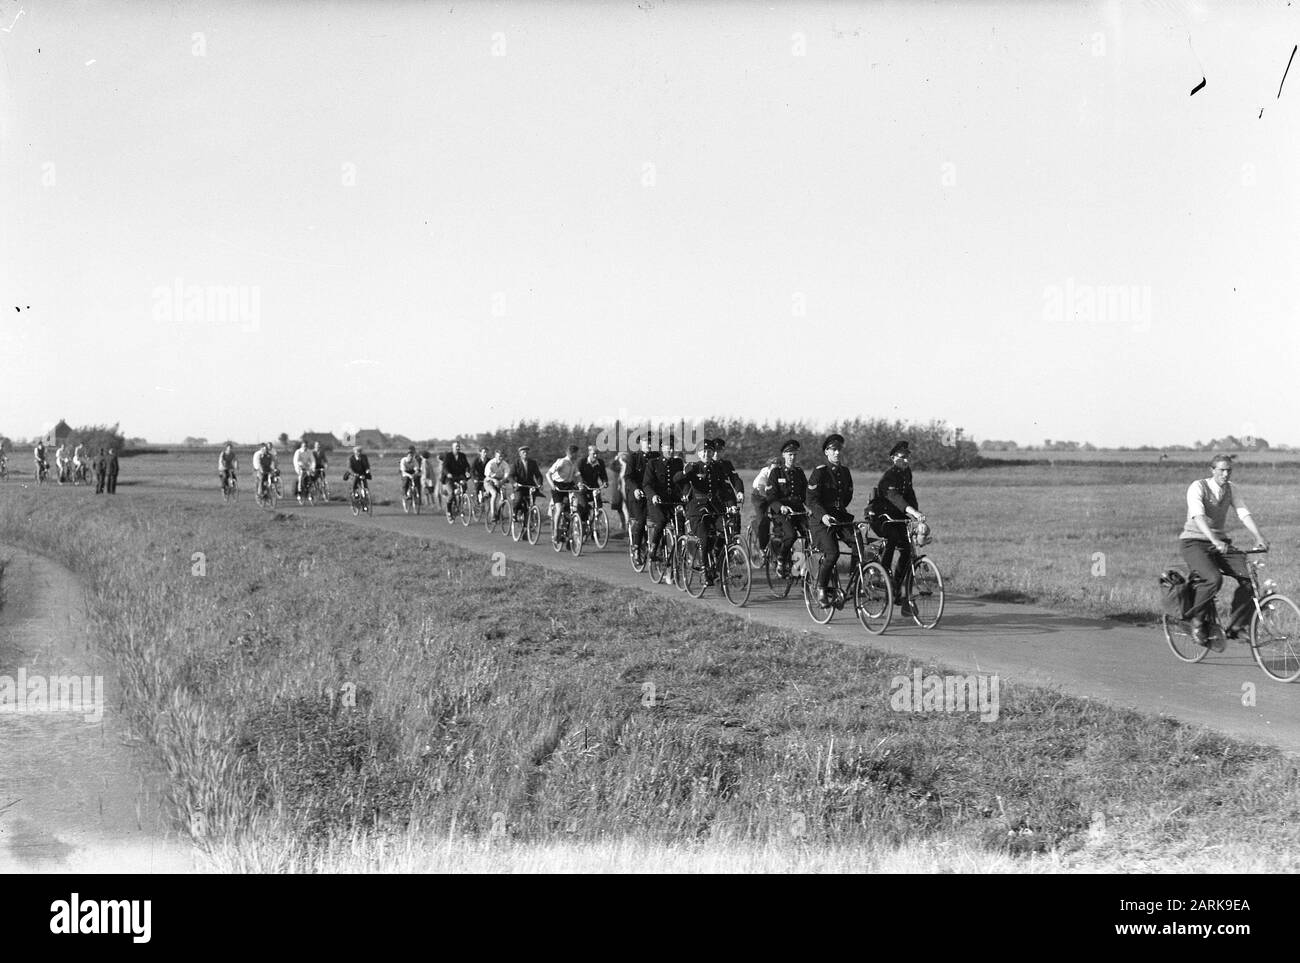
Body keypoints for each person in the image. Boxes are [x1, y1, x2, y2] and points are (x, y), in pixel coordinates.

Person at [1180, 455, 1269, 650]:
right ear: (1212, 470)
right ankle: (1196, 620)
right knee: (1213, 579)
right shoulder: (1198, 487)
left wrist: (1258, 537)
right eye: (1221, 470)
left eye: (1229, 470)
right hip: (1194, 542)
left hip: (1220, 543)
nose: (1225, 474)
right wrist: (1213, 540)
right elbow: (1198, 515)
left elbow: (1243, 512)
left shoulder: (1231, 489)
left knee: (1249, 579)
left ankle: (1236, 626)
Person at [869, 441, 927, 608]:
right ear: (893, 458)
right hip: (881, 517)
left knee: (907, 550)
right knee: (892, 538)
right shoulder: (889, 477)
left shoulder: (906, 473)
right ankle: (882, 574)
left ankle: (894, 585)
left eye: (908, 457)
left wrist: (916, 514)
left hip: (898, 517)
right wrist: (912, 512)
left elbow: (909, 494)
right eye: (902, 457)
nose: (906, 461)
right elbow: (896, 498)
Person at [673, 439, 737, 585]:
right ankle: (703, 570)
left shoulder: (717, 468)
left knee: (727, 531)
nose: (706, 454)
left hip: (714, 508)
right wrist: (684, 472)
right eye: (703, 451)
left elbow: (724, 490)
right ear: (698, 453)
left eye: (709, 451)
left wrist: (731, 504)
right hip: (697, 510)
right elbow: (677, 479)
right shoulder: (693, 467)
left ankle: (717, 557)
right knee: (703, 537)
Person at [806, 434, 854, 607]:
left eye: (839, 449)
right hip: (820, 521)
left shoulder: (845, 472)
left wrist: (837, 509)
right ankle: (821, 587)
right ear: (826, 452)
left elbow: (847, 496)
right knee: (833, 553)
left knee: (859, 543)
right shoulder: (820, 471)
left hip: (839, 517)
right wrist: (824, 515)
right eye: (833, 450)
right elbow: (811, 500)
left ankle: (855, 583)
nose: (837, 453)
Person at [765, 440, 809, 578]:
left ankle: (803, 566)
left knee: (811, 534)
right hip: (781, 512)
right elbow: (771, 496)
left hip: (798, 510)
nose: (792, 457)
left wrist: (811, 507)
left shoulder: (799, 472)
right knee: (791, 535)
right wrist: (781, 507)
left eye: (795, 454)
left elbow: (806, 494)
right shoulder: (776, 473)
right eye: (790, 454)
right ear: (784, 455)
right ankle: (781, 559)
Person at [643, 435, 684, 567]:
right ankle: (653, 548)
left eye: (672, 448)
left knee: (682, 523)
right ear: (662, 448)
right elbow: (647, 484)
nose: (671, 451)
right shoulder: (653, 463)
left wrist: (684, 495)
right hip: (657, 502)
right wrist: (653, 495)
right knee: (661, 521)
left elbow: (682, 483)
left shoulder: (678, 463)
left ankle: (681, 553)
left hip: (673, 501)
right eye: (668, 448)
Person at [624, 434, 653, 565]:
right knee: (641, 520)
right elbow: (628, 477)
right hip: (637, 495)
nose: (649, 445)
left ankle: (657, 549)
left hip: (651, 495)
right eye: (646, 442)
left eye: (651, 442)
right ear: (640, 443)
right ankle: (636, 548)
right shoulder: (633, 458)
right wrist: (635, 489)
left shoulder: (656, 457)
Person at [547, 444, 583, 533]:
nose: (578, 455)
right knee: (559, 509)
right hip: (558, 487)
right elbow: (548, 474)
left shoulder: (574, 463)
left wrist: (580, 484)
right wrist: (552, 485)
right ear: (572, 453)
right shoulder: (562, 462)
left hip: (568, 486)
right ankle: (556, 530)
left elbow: (578, 476)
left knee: (571, 508)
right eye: (577, 453)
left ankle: (568, 531)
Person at [750, 455, 781, 556]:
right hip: (759, 497)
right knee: (764, 521)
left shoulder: (780, 473)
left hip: (772, 496)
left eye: (778, 468)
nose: (775, 471)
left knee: (779, 517)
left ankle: (778, 542)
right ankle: (762, 548)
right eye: (773, 468)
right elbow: (762, 490)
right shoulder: (763, 475)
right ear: (769, 467)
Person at [509, 444, 545, 523]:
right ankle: (514, 513)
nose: (525, 454)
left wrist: (540, 484)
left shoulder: (533, 463)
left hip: (530, 486)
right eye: (523, 452)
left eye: (527, 452)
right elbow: (511, 475)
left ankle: (529, 519)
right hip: (520, 486)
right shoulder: (516, 463)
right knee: (518, 499)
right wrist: (514, 483)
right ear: (520, 454)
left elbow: (538, 475)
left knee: (531, 502)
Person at [577, 444, 610, 519]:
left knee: (599, 505)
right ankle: (583, 523)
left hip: (594, 487)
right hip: (583, 487)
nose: (595, 455)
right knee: (584, 506)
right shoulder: (582, 462)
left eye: (597, 453)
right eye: (593, 453)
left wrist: (605, 482)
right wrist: (580, 483)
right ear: (589, 453)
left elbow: (603, 475)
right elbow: (577, 475)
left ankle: (596, 523)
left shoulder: (600, 462)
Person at [441, 441, 471, 513]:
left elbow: (467, 465)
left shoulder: (462, 455)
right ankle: (449, 511)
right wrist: (448, 473)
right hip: (450, 478)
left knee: (463, 488)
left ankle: (461, 505)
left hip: (460, 476)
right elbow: (445, 466)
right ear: (452, 448)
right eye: (456, 447)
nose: (458, 448)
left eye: (458, 446)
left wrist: (467, 472)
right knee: (451, 494)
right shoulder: (448, 456)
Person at [484, 448, 510, 521]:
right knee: (494, 494)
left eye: (502, 456)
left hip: (500, 481)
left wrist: (502, 480)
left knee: (503, 496)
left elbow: (506, 474)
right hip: (489, 481)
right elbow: (487, 474)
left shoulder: (505, 464)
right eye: (499, 456)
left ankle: (498, 512)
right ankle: (493, 515)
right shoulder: (490, 463)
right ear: (495, 456)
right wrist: (494, 480)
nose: (500, 458)